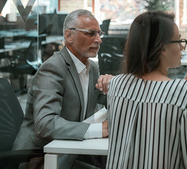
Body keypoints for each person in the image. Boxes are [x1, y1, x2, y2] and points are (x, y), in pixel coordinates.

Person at [106, 11, 187, 169]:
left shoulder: (116, 85)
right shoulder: (184, 92)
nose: (182, 46)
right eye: (179, 41)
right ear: (162, 48)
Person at [12, 9, 114, 169]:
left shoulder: (91, 67)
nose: (99, 40)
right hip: (38, 157)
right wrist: (99, 130)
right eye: (91, 33)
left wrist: (114, 86)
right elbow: (46, 124)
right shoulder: (52, 68)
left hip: (67, 151)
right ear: (69, 36)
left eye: (99, 34)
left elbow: (105, 98)